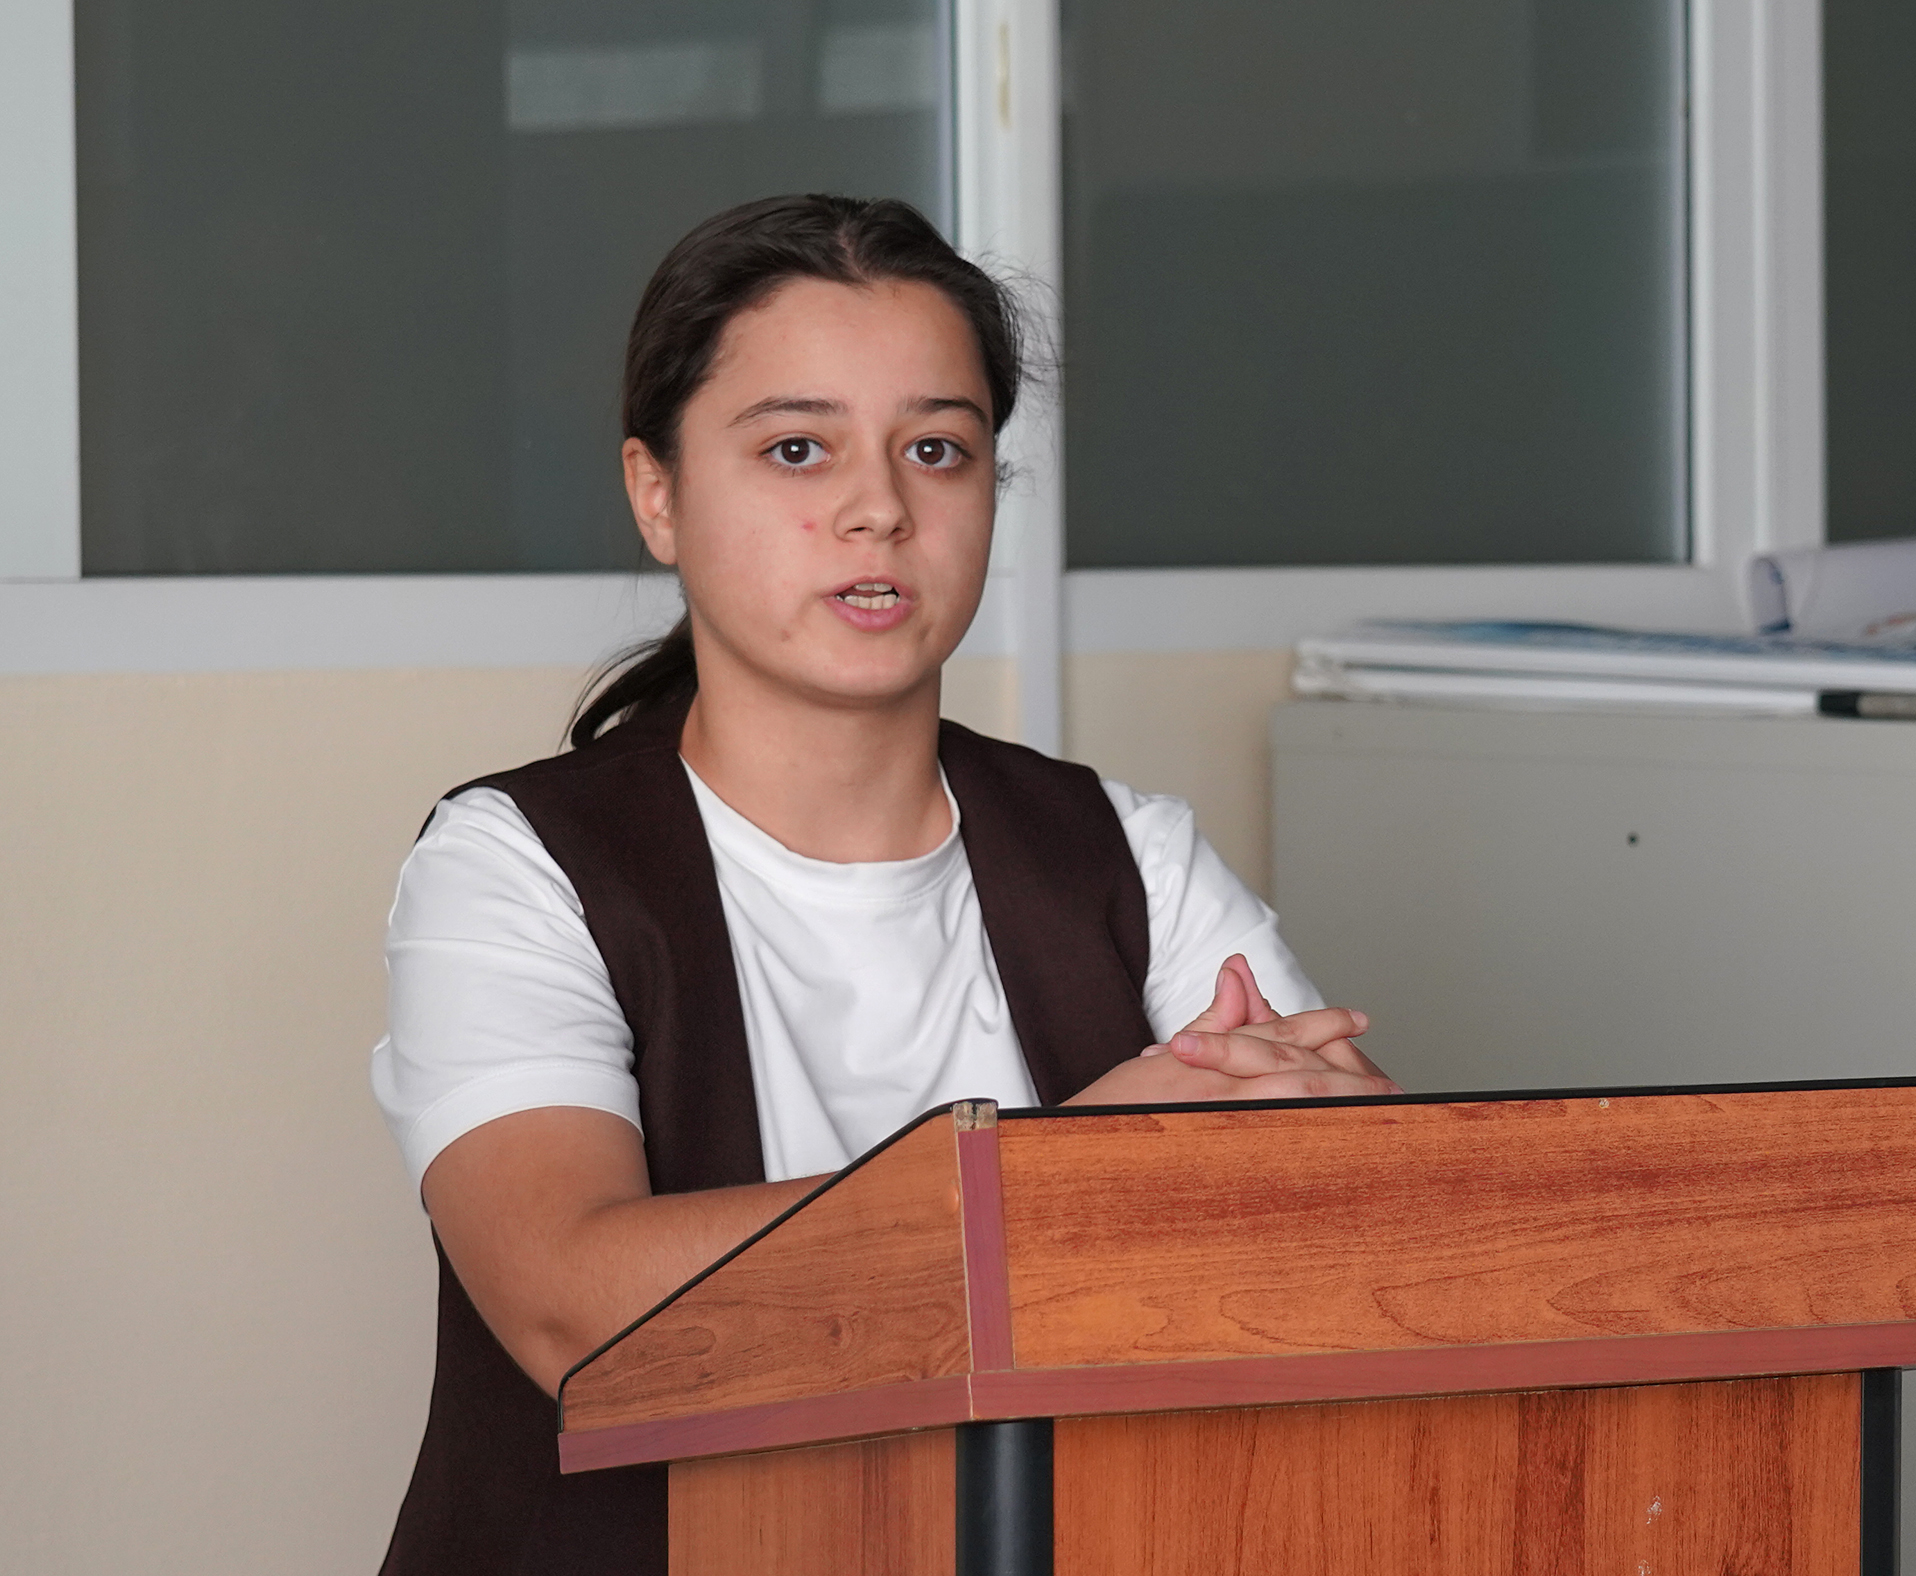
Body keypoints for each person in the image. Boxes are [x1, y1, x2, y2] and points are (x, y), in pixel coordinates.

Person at [367, 193, 1395, 1575]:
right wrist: (1077, 1170)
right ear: (657, 494)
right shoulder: (513, 864)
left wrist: (1313, 1165)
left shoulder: (1129, 850)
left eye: (937, 450)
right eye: (798, 449)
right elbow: (576, 1306)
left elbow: (1356, 1219)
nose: (878, 510)